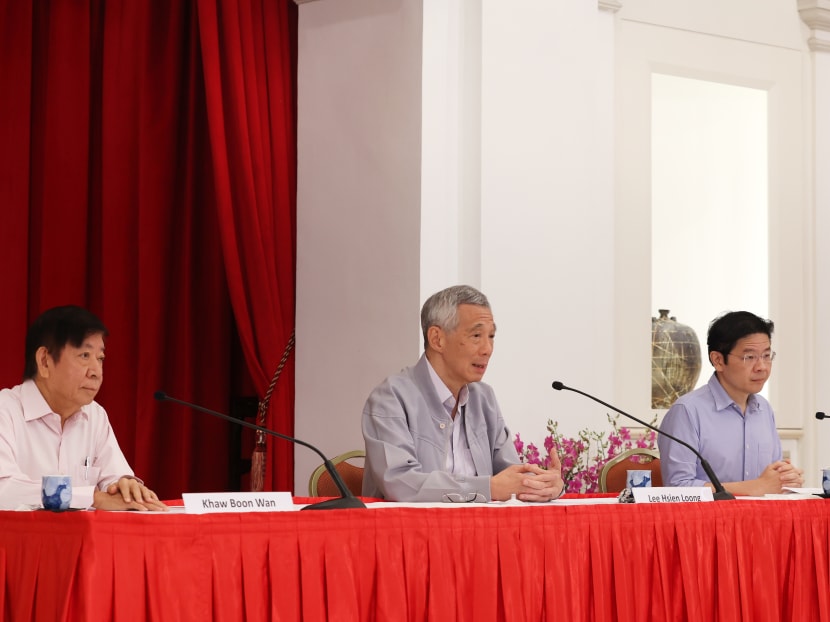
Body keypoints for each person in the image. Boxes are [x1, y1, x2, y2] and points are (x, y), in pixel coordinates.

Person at [361, 285, 565, 502]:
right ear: (437, 339)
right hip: (408, 532)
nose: (487, 349)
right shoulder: (390, 398)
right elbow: (400, 483)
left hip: (477, 531)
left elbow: (511, 474)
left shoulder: (483, 398)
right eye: (476, 335)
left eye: (491, 336)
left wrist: (545, 484)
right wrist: (487, 488)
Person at [0, 305, 168, 511]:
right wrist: (92, 498)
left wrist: (126, 487)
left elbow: (114, 480)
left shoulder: (94, 415)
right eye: (85, 356)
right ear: (44, 361)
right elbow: (4, 490)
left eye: (101, 359)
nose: (97, 372)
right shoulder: (5, 411)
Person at [659, 310, 804, 496]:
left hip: (760, 521)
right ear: (718, 360)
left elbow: (771, 481)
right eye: (749, 357)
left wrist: (786, 480)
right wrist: (755, 487)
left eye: (767, 356)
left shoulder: (764, 409)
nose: (762, 367)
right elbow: (677, 489)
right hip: (707, 522)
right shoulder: (687, 411)